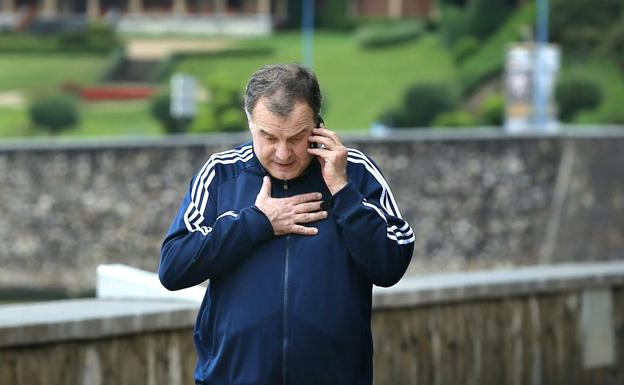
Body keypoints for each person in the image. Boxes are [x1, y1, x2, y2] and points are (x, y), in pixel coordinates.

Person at [159, 63, 415, 385]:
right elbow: (173, 267)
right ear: (250, 122)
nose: (282, 153)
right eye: (269, 137)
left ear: (319, 126)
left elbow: (390, 265)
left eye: (296, 138)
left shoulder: (356, 173)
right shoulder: (220, 174)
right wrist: (256, 223)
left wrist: (342, 192)